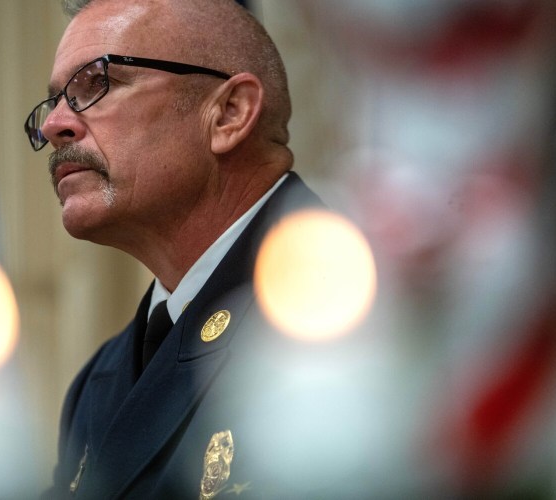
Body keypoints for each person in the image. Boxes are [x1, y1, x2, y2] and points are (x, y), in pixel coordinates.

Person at [24, 0, 332, 497]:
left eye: (97, 84)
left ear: (229, 114)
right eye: (55, 100)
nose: (53, 125)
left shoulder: (348, 313)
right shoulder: (98, 382)